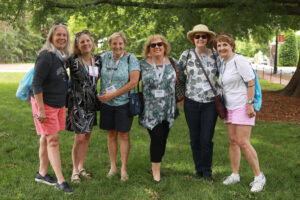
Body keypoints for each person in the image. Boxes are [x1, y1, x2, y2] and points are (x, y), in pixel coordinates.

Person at [214, 33, 266, 192]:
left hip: (242, 106)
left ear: (232, 46)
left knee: (243, 141)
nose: (222, 48)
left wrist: (250, 104)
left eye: (225, 45)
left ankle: (259, 177)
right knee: (233, 141)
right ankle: (235, 174)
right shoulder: (224, 63)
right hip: (229, 107)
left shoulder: (239, 60)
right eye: (219, 46)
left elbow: (251, 81)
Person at [31, 23, 72, 193]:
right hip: (45, 103)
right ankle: (60, 181)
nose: (62, 38)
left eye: (65, 35)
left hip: (58, 103)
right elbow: (36, 83)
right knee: (53, 140)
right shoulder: (46, 56)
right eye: (58, 35)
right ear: (51, 37)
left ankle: (42, 174)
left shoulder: (61, 56)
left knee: (45, 138)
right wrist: (40, 109)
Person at [178, 24, 220, 181]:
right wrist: (185, 86)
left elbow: (223, 75)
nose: (200, 39)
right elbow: (179, 72)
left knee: (206, 138)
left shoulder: (215, 55)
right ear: (193, 39)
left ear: (208, 39)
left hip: (210, 104)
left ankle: (207, 171)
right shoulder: (187, 54)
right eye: (197, 36)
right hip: (191, 102)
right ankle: (198, 170)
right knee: (195, 138)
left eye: (203, 36)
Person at [98, 32, 140, 181]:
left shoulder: (131, 58)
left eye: (120, 43)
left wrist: (113, 95)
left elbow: (133, 82)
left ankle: (123, 168)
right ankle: (113, 167)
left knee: (123, 134)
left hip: (124, 103)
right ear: (110, 44)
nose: (117, 46)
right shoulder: (104, 58)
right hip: (107, 103)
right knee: (111, 134)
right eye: (114, 43)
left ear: (124, 44)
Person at [139, 35, 178, 183]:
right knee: (156, 138)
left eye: (159, 44)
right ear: (148, 49)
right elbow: (131, 79)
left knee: (163, 139)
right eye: (153, 45)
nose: (157, 47)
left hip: (168, 109)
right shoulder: (142, 64)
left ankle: (158, 165)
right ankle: (156, 173)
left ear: (165, 46)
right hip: (150, 109)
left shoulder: (173, 62)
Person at [66, 30, 102, 183]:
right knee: (79, 137)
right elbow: (53, 67)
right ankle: (74, 170)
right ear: (77, 45)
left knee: (87, 136)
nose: (86, 43)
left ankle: (81, 167)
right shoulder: (72, 59)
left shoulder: (98, 60)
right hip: (77, 103)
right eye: (82, 42)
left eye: (88, 40)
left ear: (92, 43)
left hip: (92, 103)